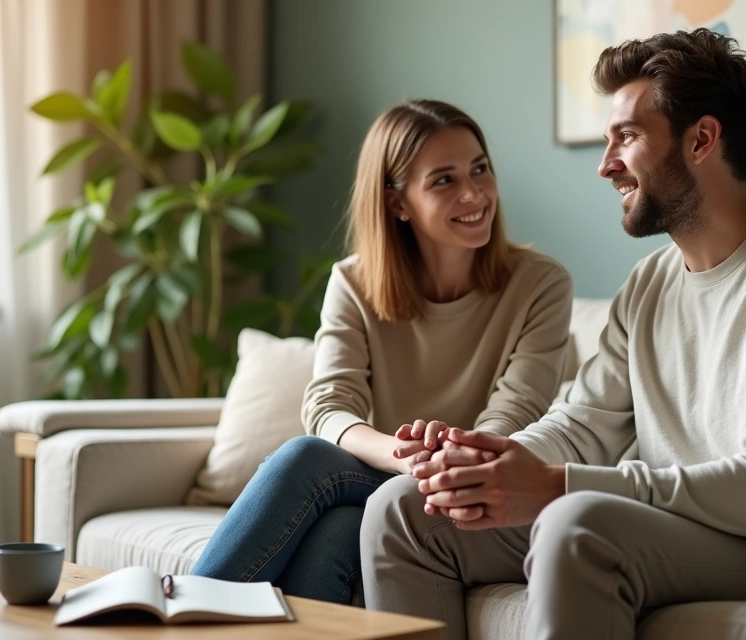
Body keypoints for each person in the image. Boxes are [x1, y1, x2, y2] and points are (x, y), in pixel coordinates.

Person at [360, 29, 746, 639]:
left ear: (702, 140)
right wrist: (479, 458)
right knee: (402, 510)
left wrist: (557, 485)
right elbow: (583, 422)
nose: (606, 162)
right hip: (679, 527)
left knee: (577, 524)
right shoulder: (649, 284)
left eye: (628, 137)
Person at [189, 99, 574, 606]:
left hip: (478, 492)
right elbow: (328, 406)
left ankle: (180, 613)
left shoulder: (542, 284)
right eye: (444, 180)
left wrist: (442, 459)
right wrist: (405, 457)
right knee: (339, 527)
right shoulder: (353, 282)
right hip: (393, 484)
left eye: (479, 169)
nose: (475, 192)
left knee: (313, 469)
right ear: (398, 203)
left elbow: (515, 412)